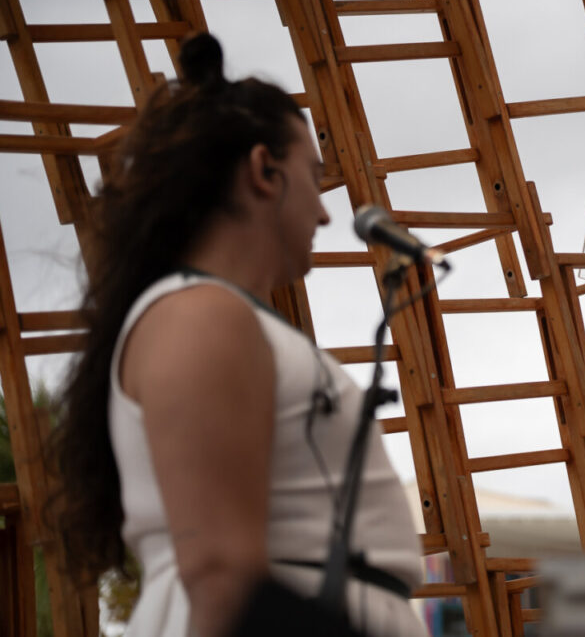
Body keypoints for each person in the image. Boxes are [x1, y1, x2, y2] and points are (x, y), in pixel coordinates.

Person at [51, 32, 427, 637]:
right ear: (262, 169)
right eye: (315, 175)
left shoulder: (212, 314)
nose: (327, 212)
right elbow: (223, 577)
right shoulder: (201, 316)